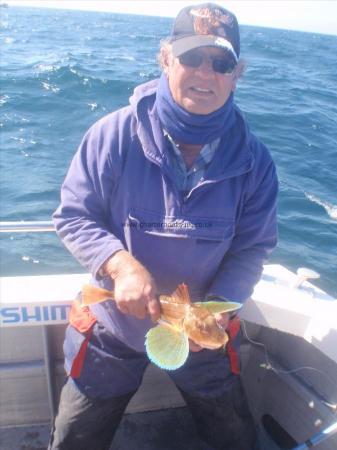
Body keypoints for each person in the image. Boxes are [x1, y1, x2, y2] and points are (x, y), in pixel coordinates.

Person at [49, 3, 278, 449]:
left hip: (200, 326)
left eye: (221, 63)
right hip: (113, 325)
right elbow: (74, 215)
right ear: (166, 59)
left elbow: (252, 248)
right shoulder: (113, 134)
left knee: (234, 435)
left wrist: (217, 309)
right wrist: (119, 265)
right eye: (191, 57)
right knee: (75, 436)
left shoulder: (255, 162)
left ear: (237, 73)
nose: (205, 74)